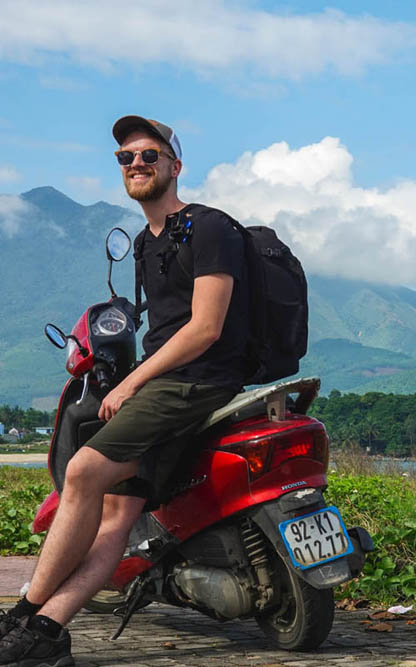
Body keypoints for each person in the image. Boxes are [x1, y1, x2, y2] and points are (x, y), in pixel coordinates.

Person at [0, 116, 250, 667]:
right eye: (125, 158)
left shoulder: (207, 228)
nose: (136, 164)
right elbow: (156, 324)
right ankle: (47, 629)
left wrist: (134, 381)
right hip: (163, 381)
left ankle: (26, 612)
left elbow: (205, 327)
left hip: (195, 382)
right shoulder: (144, 242)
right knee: (116, 512)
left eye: (149, 155)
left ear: (174, 166)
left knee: (83, 472)